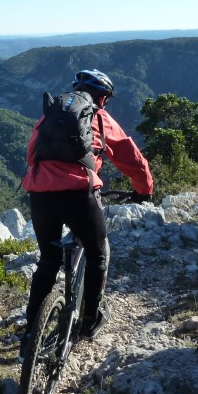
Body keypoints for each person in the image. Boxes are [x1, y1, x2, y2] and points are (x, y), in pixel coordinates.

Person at [19, 69, 154, 360]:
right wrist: (144, 191)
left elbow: (32, 155)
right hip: (80, 193)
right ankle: (89, 322)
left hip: (40, 194)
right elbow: (131, 158)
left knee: (48, 261)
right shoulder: (100, 117)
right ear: (102, 98)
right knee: (98, 253)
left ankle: (29, 334)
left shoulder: (51, 113)